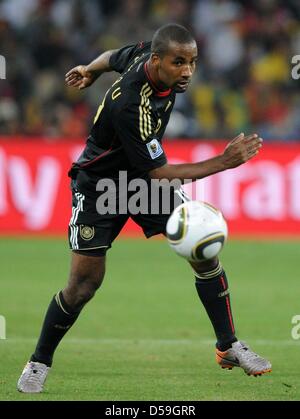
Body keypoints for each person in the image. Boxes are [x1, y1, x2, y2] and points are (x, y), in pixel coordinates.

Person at [17, 23, 271, 394]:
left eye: (193, 62)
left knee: (204, 248)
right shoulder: (131, 104)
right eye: (178, 62)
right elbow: (160, 171)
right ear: (157, 60)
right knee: (83, 285)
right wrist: (224, 161)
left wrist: (90, 68)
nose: (187, 71)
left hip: (144, 184)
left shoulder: (142, 54)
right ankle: (39, 361)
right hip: (102, 187)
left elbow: (111, 57)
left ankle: (228, 345)